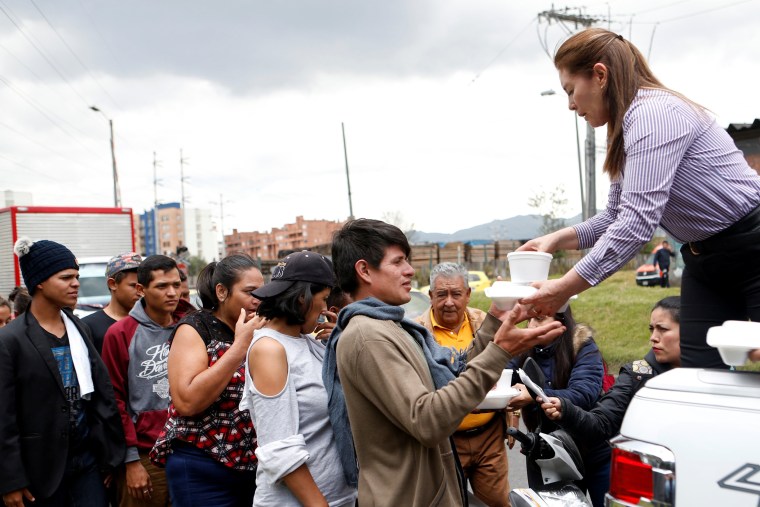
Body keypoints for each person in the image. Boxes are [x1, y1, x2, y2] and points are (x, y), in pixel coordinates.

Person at [517, 27, 760, 369]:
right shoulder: (623, 129)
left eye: (571, 91)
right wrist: (554, 239)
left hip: (753, 248)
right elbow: (615, 216)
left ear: (599, 75)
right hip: (704, 260)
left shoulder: (653, 115)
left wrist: (564, 288)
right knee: (701, 376)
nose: (571, 105)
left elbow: (636, 224)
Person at [323, 219, 566, 506]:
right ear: (364, 270)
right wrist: (500, 351)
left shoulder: (391, 326)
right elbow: (427, 420)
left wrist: (495, 321)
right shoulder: (368, 335)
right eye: (398, 261)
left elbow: (452, 380)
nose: (410, 270)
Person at [0, 238, 125, 507]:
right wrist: (11, 480)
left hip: (87, 462)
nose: (76, 283)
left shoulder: (80, 329)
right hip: (39, 468)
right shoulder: (11, 339)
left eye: (77, 277)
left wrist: (111, 457)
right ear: (40, 282)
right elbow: (4, 417)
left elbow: (100, 395)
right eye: (66, 277)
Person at [239, 251, 357, 506]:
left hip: (338, 497)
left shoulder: (308, 343)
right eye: (324, 299)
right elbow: (280, 449)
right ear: (301, 298)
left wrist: (340, 341)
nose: (326, 309)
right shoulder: (269, 349)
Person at [150, 254, 266, 507]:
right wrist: (239, 347)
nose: (259, 299)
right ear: (222, 292)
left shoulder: (260, 327)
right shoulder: (194, 328)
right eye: (250, 292)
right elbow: (187, 402)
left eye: (263, 292)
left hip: (252, 465)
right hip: (202, 465)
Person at [416, 262, 511, 507]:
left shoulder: (485, 322)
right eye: (441, 294)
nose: (449, 301)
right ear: (430, 296)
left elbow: (506, 363)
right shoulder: (416, 331)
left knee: (496, 503)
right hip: (446, 441)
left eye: (456, 294)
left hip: (489, 435)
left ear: (468, 294)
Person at [101, 255, 193, 507]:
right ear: (141, 290)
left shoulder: (192, 326)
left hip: (192, 449)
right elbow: (115, 400)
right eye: (162, 286)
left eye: (176, 284)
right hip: (146, 454)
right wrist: (131, 461)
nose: (172, 293)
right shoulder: (120, 333)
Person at [540, 296, 681, 445]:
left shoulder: (707, 376)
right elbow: (601, 424)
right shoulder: (637, 375)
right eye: (652, 329)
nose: (653, 337)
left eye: (663, 329)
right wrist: (568, 412)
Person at [507, 305, 606, 506]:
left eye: (540, 318)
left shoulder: (582, 345)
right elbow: (499, 378)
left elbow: (583, 393)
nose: (533, 325)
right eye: (530, 319)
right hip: (547, 453)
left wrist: (535, 396)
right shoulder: (522, 349)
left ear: (561, 321)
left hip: (593, 448)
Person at [82, 252, 143, 354]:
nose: (140, 292)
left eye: (143, 286)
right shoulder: (88, 326)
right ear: (113, 284)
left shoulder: (152, 322)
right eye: (134, 286)